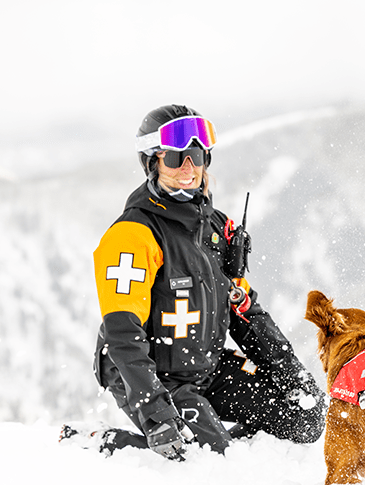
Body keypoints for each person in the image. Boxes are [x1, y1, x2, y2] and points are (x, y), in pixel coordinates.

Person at [64, 104, 326, 460]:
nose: (189, 168)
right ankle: (105, 442)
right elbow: (122, 336)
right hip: (154, 373)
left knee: (304, 418)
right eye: (175, 158)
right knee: (206, 459)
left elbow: (245, 310)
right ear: (152, 162)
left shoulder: (216, 229)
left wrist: (295, 378)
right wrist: (155, 412)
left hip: (207, 366)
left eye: (197, 155)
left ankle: (222, 439)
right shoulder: (133, 235)